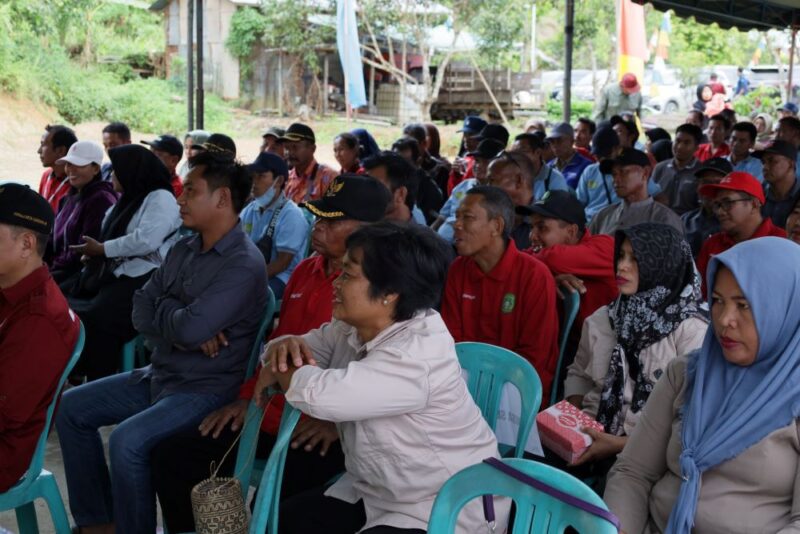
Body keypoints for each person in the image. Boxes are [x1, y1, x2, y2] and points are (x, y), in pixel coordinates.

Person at [151, 174, 391, 533]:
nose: (319, 228)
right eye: (319, 218)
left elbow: (379, 376)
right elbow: (277, 344)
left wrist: (338, 423)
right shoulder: (306, 271)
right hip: (275, 411)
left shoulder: (378, 289)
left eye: (334, 221)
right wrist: (249, 398)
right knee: (174, 454)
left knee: (277, 505)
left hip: (325, 425)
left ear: (371, 231)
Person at [56, 150, 268, 534]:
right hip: (162, 372)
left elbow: (183, 327)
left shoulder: (243, 263)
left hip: (205, 388)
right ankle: (99, 522)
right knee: (71, 407)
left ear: (221, 199)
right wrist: (181, 318)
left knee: (127, 441)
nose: (180, 198)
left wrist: (178, 323)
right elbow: (141, 307)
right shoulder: (186, 247)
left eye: (190, 190)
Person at [256, 221, 507, 534]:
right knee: (283, 522)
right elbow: (294, 350)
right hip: (380, 490)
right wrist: (281, 346)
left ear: (390, 292)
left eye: (347, 274)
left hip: (443, 506)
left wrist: (282, 362)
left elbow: (318, 395)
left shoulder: (418, 354)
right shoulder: (353, 327)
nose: (336, 282)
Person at [605, 237, 800, 534]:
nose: (724, 320)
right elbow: (633, 473)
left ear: (785, 309)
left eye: (744, 305)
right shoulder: (686, 374)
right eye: (718, 301)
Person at [564, 223, 706, 473]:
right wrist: (574, 424)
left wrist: (618, 445)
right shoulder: (602, 320)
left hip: (652, 458)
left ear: (664, 264)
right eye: (620, 256)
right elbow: (578, 374)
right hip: (589, 439)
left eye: (636, 259)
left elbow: (690, 421)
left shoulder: (691, 330)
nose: (622, 266)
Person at [64, 145, 181, 381]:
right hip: (117, 273)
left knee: (98, 317)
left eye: (116, 171)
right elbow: (111, 235)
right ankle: (73, 371)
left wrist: (103, 249)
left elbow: (146, 240)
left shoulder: (161, 198)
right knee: (62, 299)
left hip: (145, 280)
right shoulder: (128, 199)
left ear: (132, 172)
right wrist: (96, 253)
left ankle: (97, 379)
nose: (111, 176)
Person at [442, 186, 560, 401]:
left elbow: (535, 357)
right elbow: (453, 344)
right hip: (463, 386)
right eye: (456, 216)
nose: (456, 225)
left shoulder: (534, 275)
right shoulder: (458, 269)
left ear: (496, 226)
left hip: (517, 392)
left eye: (467, 217)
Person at [0, 184, 80, 493]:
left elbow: (6, 415)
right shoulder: (11, 288)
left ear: (26, 244)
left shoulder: (40, 317)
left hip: (7, 453)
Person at [696, 171, 786, 297]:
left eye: (728, 203)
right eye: (717, 205)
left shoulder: (782, 243)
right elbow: (700, 294)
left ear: (754, 204)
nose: (720, 212)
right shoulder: (712, 244)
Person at [240, 152, 309, 299]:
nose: (254, 182)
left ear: (278, 181)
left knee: (245, 296)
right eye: (253, 176)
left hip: (283, 278)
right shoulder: (249, 210)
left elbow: (282, 263)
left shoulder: (291, 215)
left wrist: (248, 279)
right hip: (254, 272)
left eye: (261, 176)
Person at [49, 141, 118, 286]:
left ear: (95, 168)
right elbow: (52, 237)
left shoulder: (101, 200)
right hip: (57, 265)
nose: (70, 169)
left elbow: (82, 249)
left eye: (79, 164)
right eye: (68, 164)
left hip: (76, 273)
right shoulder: (67, 199)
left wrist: (50, 267)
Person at [589, 148, 683, 236]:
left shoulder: (665, 219)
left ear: (645, 173)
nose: (615, 180)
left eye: (623, 172)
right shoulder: (602, 216)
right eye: (614, 174)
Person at [488, 149, 568, 249]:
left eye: (492, 180)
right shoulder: (489, 217)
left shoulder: (550, 223)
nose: (488, 187)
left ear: (518, 181)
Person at [433, 138, 503, 242]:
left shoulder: (497, 194)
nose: (478, 165)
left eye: (485, 162)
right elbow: (442, 216)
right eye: (477, 160)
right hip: (441, 243)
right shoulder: (464, 185)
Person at [681, 157, 733, 257]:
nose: (710, 188)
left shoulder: (736, 222)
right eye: (705, 182)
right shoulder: (686, 220)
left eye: (718, 183)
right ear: (697, 187)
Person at [651, 124, 703, 215]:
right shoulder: (660, 168)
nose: (679, 147)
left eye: (686, 143)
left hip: (686, 225)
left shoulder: (702, 172)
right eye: (677, 141)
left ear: (696, 148)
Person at [363, 152, 424, 225]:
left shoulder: (418, 236)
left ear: (400, 194)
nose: (365, 191)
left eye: (374, 186)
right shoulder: (366, 227)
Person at [576, 126, 623, 222]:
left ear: (617, 149)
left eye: (605, 154)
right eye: (598, 155)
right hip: (590, 223)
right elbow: (579, 202)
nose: (601, 159)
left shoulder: (629, 170)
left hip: (617, 223)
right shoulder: (590, 171)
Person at [282, 123, 337, 203]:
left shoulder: (329, 177)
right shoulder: (287, 178)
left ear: (312, 149)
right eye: (286, 148)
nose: (290, 152)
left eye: (295, 147)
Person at [757, 139, 800, 228]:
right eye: (763, 162)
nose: (765, 167)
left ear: (791, 164)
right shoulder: (758, 193)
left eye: (772, 161)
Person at [38, 124, 78, 213]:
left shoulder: (76, 181)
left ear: (60, 151)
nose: (39, 151)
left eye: (43, 145)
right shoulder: (46, 175)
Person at [447, 116, 486, 194]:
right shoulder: (465, 160)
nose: (466, 139)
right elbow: (454, 195)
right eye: (465, 134)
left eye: (471, 134)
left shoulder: (488, 162)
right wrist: (456, 175)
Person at [547, 122, 593, 189]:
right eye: (551, 141)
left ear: (572, 141)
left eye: (559, 140)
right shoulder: (549, 167)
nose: (555, 145)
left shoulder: (586, 167)